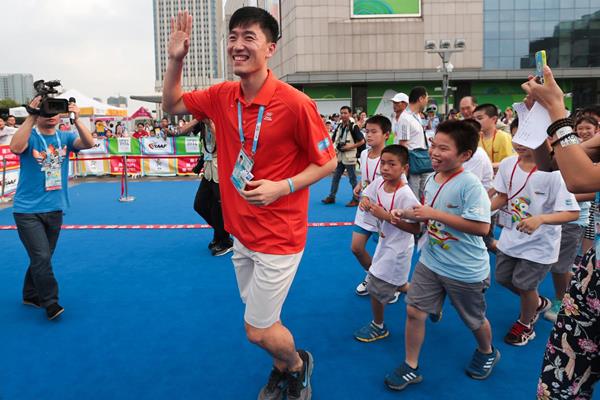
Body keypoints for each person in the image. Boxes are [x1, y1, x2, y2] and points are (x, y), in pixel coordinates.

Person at [162, 8, 337, 400]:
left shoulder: (295, 104)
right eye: (233, 36)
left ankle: (296, 365)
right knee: (265, 319)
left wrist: (283, 186)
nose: (238, 45)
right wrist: (176, 59)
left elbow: (329, 161)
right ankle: (282, 365)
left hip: (279, 236)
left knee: (257, 329)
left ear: (271, 48)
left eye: (249, 37)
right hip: (241, 232)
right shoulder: (222, 96)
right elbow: (172, 106)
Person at [384, 120, 499, 391]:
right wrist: (410, 213)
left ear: (465, 155)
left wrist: (432, 214)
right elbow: (430, 211)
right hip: (431, 260)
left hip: (465, 269)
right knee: (413, 310)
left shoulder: (470, 186)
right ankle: (411, 365)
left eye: (443, 148)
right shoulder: (434, 178)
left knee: (474, 320)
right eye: (433, 144)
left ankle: (487, 351)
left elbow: (482, 227)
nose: (433, 152)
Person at [524, 66, 600, 400]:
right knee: (558, 385)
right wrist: (542, 120)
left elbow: (581, 180)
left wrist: (556, 109)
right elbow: (554, 163)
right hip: (593, 276)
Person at [9, 96, 94, 320]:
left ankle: (29, 293)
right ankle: (51, 302)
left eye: (55, 111)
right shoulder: (31, 136)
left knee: (42, 258)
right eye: (46, 112)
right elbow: (16, 147)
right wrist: (31, 115)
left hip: (55, 208)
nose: (51, 116)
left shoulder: (64, 136)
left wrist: (77, 119)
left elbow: (89, 143)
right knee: (41, 257)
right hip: (27, 211)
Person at [491, 140, 579, 346]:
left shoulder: (554, 172)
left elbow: (572, 212)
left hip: (540, 243)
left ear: (544, 143)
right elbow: (503, 196)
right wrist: (482, 211)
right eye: (517, 138)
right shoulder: (507, 164)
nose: (520, 144)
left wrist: (540, 219)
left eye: (528, 140)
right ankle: (538, 303)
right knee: (503, 278)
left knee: (525, 284)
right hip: (511, 237)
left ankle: (525, 323)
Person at [353, 145, 420, 342]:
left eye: (392, 164)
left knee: (374, 285)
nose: (385, 168)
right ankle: (429, 302)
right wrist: (365, 200)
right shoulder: (380, 183)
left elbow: (416, 230)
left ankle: (378, 326)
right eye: (383, 163)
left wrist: (387, 217)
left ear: (404, 168)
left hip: (398, 249)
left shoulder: (406, 195)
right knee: (399, 285)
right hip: (384, 244)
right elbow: (367, 193)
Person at [351, 115, 389, 296]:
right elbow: (366, 178)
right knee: (356, 248)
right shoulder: (365, 154)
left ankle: (390, 285)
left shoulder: (390, 157)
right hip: (364, 208)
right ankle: (372, 276)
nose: (369, 135)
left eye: (374, 132)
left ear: (386, 135)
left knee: (385, 254)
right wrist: (360, 186)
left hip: (382, 212)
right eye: (367, 131)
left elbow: (393, 185)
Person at [189, 118, 233, 256]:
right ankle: (221, 234)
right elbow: (188, 131)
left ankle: (224, 240)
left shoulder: (224, 117)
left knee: (219, 207)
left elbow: (226, 142)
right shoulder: (201, 118)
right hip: (208, 170)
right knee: (200, 205)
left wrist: (210, 123)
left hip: (223, 169)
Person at [321, 105, 365, 207]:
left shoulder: (354, 127)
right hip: (340, 156)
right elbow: (333, 140)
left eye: (345, 113)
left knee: (352, 179)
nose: (343, 115)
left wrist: (350, 146)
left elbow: (362, 141)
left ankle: (356, 199)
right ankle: (332, 197)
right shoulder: (340, 126)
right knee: (335, 177)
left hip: (350, 157)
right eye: (342, 113)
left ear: (349, 114)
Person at [395, 86, 432, 200]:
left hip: (423, 159)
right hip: (413, 160)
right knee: (413, 196)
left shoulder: (416, 116)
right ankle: (413, 217)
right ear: (421, 98)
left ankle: (422, 217)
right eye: (426, 98)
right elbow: (403, 144)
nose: (427, 101)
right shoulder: (405, 118)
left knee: (425, 193)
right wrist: (405, 167)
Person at [474, 103, 514, 169]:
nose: (476, 122)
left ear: (494, 119)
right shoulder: (475, 138)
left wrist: (490, 166)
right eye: (474, 119)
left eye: (479, 118)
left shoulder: (504, 137)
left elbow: (512, 162)